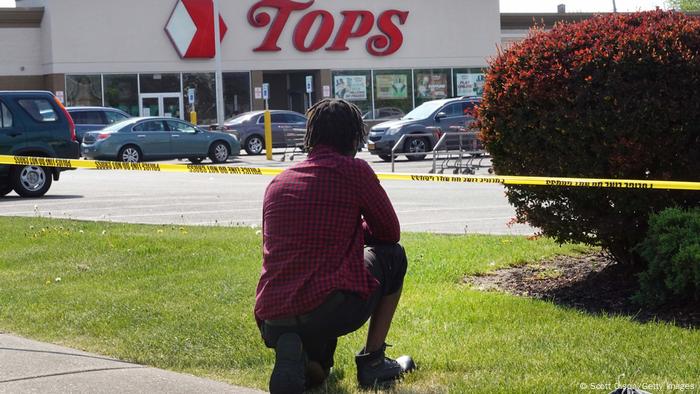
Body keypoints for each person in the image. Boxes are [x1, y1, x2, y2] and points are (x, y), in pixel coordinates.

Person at [254, 99, 414, 393]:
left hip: (271, 316)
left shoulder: (279, 181)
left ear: (311, 136)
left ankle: (308, 362)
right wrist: (355, 231)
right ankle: (374, 362)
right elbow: (389, 233)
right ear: (354, 137)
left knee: (320, 367)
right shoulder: (354, 171)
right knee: (393, 257)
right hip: (324, 307)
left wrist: (345, 231)